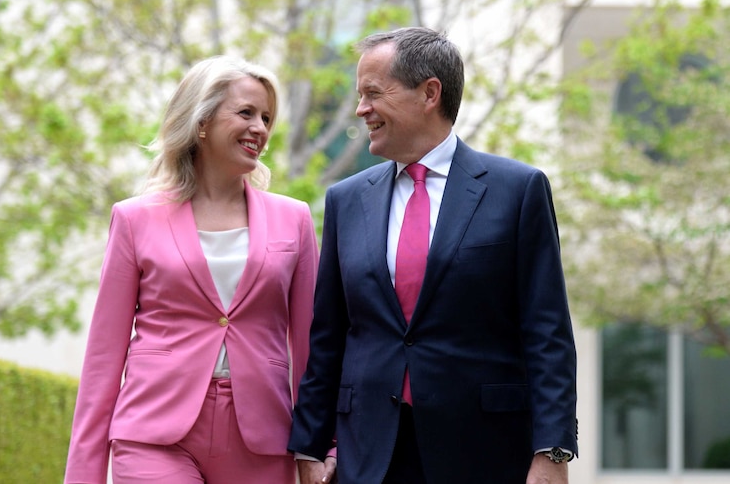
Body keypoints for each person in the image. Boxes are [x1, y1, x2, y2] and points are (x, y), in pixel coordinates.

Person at [288, 27, 578, 484]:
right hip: (368, 455)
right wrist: (310, 445)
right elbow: (329, 336)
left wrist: (553, 453)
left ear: (429, 93)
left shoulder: (518, 190)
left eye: (372, 94)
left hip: (484, 452)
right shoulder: (345, 200)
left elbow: (547, 333)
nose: (361, 109)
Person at [63, 55, 319, 484]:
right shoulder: (134, 219)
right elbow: (103, 357)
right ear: (201, 122)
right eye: (246, 112)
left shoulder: (295, 219)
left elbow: (313, 346)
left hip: (263, 438)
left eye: (267, 117)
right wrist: (83, 474)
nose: (260, 127)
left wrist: (317, 446)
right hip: (154, 435)